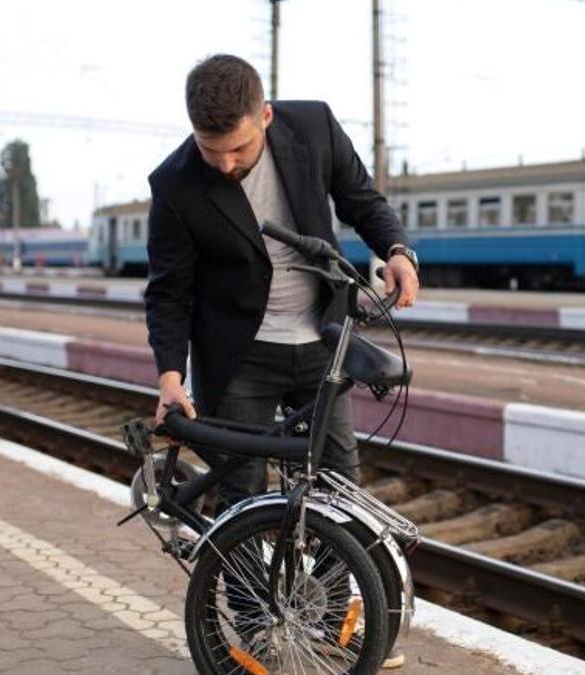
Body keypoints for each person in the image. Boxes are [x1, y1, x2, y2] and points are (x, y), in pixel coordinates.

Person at [144, 54, 418, 668]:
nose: (225, 164)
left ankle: (331, 630)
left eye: (237, 148)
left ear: (264, 115)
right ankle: (258, 635)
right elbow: (169, 290)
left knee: (339, 487)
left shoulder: (313, 128)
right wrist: (169, 376)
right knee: (242, 497)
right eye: (210, 150)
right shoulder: (176, 184)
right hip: (238, 356)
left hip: (323, 346)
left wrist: (396, 250)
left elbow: (361, 198)